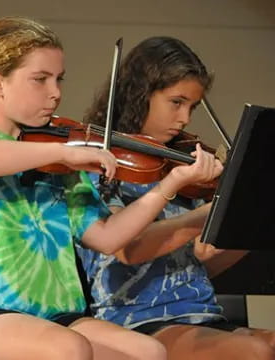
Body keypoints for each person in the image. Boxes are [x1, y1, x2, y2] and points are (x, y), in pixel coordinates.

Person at [0, 18, 222, 360]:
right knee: (68, 349)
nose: (55, 93)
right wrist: (62, 154)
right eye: (40, 80)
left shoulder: (62, 157)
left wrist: (171, 184)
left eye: (58, 79)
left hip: (58, 316)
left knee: (149, 352)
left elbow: (109, 237)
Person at [79, 36, 275, 360]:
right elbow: (129, 247)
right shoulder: (99, 165)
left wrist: (250, 215)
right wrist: (205, 214)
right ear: (140, 94)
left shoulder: (179, 165)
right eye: (176, 102)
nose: (185, 119)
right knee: (253, 352)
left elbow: (202, 258)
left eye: (192, 107)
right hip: (139, 321)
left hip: (202, 314)